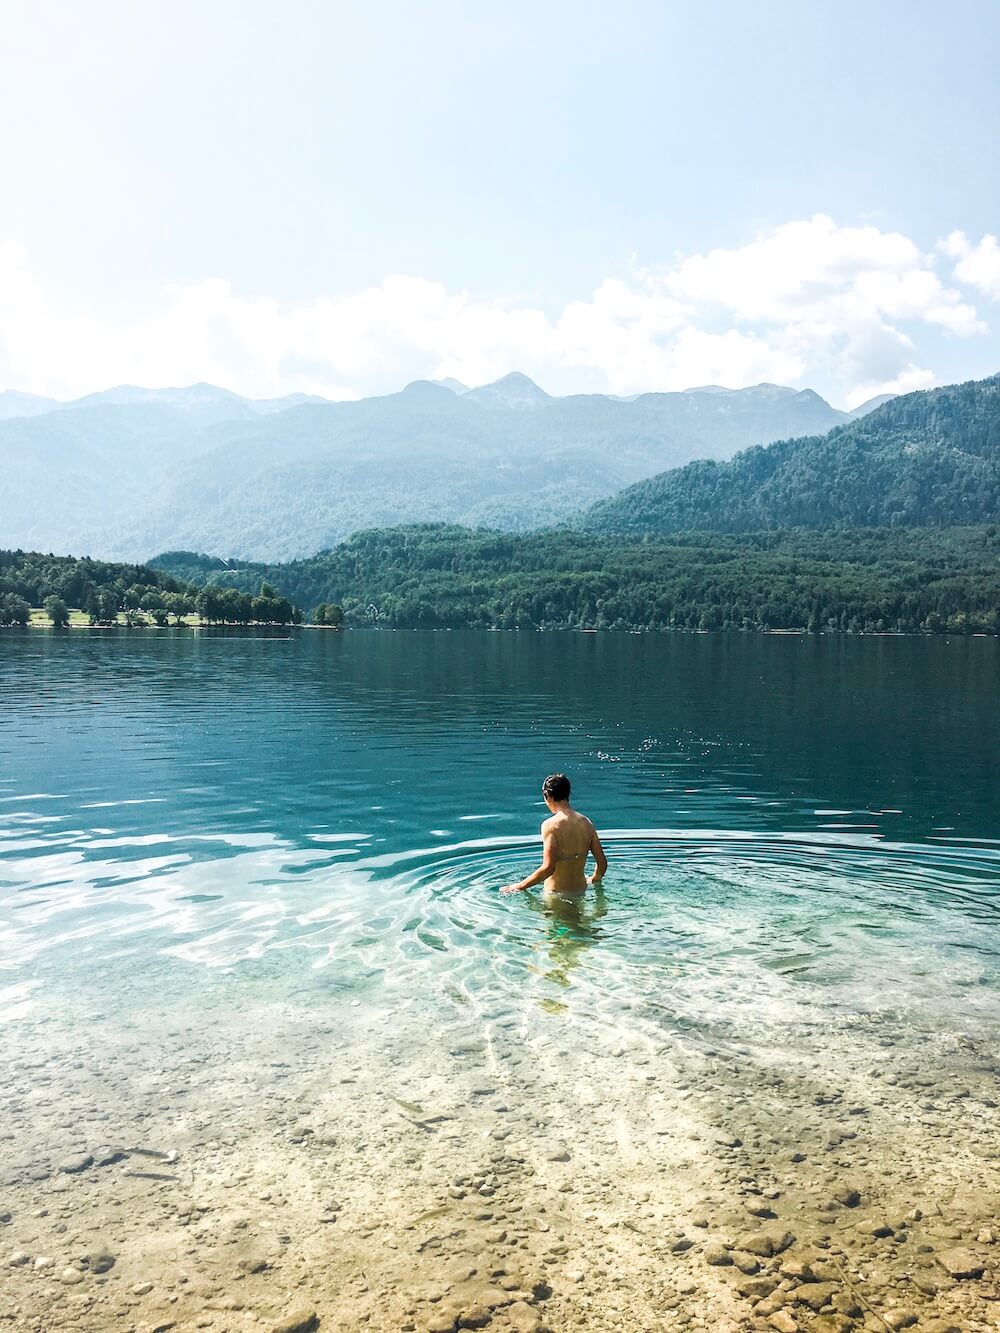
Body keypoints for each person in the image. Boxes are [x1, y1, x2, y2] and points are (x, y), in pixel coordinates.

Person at [501, 773, 607, 896]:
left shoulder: (550, 825)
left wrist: (519, 886)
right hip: (581, 891)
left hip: (556, 894)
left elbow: (548, 868)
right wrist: (594, 879)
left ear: (548, 797)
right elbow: (602, 863)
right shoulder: (586, 823)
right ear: (568, 795)